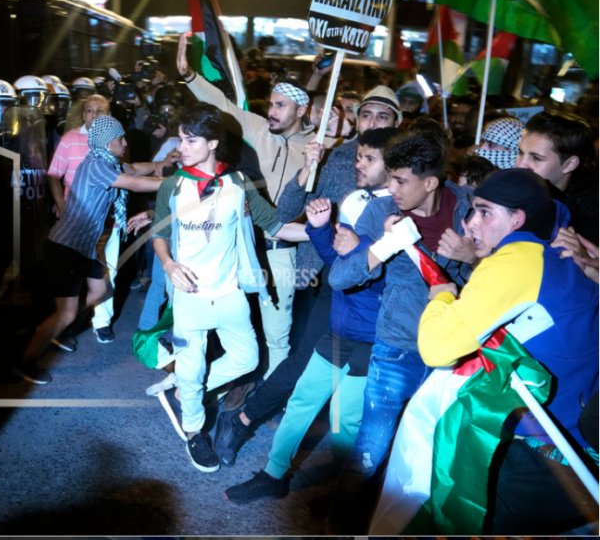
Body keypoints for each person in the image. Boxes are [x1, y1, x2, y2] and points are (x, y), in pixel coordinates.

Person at [372, 168, 598, 534]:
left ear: (517, 219)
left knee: (441, 512)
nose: (470, 224)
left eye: (484, 211)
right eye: (471, 210)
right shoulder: (552, 258)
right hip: (573, 439)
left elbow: (437, 348)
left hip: (549, 451)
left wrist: (442, 294)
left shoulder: (516, 261)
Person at [216, 86, 405, 453]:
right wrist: (306, 169)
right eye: (366, 115)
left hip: (383, 292)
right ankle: (244, 420)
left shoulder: (407, 171)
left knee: (360, 378)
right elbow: (285, 211)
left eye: (383, 117)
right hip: (326, 276)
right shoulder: (336, 156)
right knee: (305, 359)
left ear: (398, 123)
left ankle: (345, 467)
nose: (372, 123)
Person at [323, 130, 474, 532]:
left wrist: (471, 255)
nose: (390, 188)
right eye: (389, 177)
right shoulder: (381, 212)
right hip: (397, 349)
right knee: (369, 453)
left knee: (432, 457)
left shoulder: (466, 208)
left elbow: (493, 274)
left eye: (400, 180)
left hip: (454, 353)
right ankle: (338, 525)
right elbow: (340, 277)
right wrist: (386, 245)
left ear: (431, 182)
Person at [150, 103, 302, 473]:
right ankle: (193, 430)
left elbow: (276, 226)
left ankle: (186, 395)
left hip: (230, 293)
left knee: (248, 358)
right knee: (191, 362)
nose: (181, 146)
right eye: (181, 139)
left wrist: (320, 232)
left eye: (191, 140)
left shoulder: (237, 184)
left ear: (213, 142)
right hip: (189, 294)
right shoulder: (172, 184)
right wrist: (169, 264)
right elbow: (160, 233)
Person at [176, 31, 317, 380]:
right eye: (271, 104)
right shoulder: (258, 129)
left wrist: (317, 161)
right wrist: (189, 75)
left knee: (277, 333)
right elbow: (224, 107)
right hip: (240, 245)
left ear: (301, 110)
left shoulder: (317, 146)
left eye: (280, 106)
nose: (271, 111)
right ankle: (223, 380)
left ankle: (268, 395)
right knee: (226, 322)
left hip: (281, 249)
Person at [13, 115, 163, 385]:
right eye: (121, 139)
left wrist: (162, 165)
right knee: (68, 311)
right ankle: (25, 359)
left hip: (82, 249)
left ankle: (54, 326)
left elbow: (135, 170)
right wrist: (179, 183)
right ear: (108, 144)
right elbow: (132, 182)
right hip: (66, 247)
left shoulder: (107, 161)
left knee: (101, 290)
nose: (125, 142)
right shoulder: (96, 166)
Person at [516, 111, 598, 245]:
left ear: (569, 164)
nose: (521, 164)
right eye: (520, 153)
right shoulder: (507, 188)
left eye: (536, 158)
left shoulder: (588, 217)